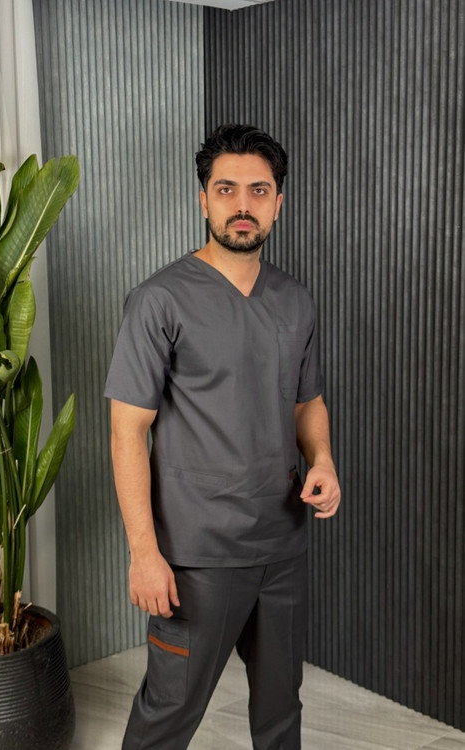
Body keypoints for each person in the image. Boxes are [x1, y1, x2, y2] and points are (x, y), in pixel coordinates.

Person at [104, 123, 341, 750]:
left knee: (281, 711)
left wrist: (322, 461)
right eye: (226, 189)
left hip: (281, 545)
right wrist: (144, 553)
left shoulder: (294, 300)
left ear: (278, 203)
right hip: (198, 555)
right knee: (168, 714)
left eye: (258, 190)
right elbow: (127, 432)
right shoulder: (158, 301)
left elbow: (307, 401)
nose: (242, 204)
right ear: (203, 198)